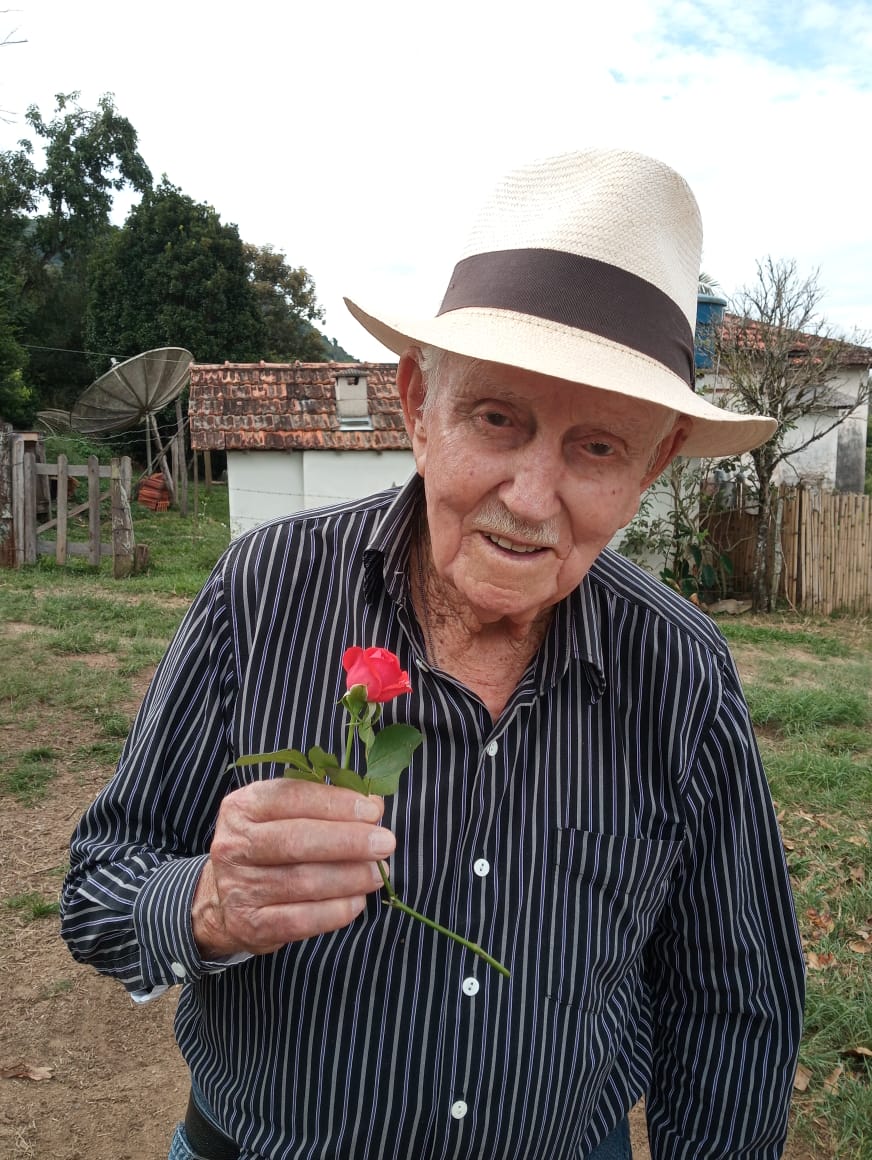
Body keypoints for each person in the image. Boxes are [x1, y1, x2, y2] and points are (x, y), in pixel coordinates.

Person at [61, 148, 804, 1160]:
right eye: (496, 419)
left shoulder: (682, 670)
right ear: (417, 404)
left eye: (597, 447)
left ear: (653, 465)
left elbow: (733, 1001)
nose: (530, 498)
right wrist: (204, 904)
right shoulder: (264, 589)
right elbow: (100, 886)